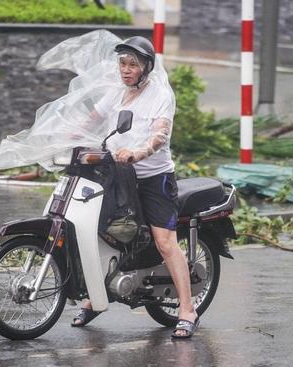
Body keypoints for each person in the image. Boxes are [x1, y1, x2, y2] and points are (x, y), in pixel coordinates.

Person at [70, 36, 199, 339]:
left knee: (165, 242)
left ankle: (187, 309)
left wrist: (139, 152)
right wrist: (67, 138)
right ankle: (98, 297)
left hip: (154, 178)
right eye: (122, 63)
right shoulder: (118, 92)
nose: (126, 70)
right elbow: (93, 119)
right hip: (118, 174)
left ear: (146, 68)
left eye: (132, 65)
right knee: (103, 233)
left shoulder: (160, 94)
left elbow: (160, 134)